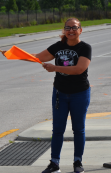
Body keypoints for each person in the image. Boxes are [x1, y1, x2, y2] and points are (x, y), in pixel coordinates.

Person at [32, 18, 92, 173]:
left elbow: (79, 69)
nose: (71, 30)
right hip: (60, 94)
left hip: (80, 93)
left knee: (78, 129)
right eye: (68, 28)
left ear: (80, 30)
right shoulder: (58, 47)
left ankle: (77, 162)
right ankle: (54, 163)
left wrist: (55, 68)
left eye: (74, 27)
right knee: (57, 129)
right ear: (64, 30)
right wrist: (14, 54)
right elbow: (38, 57)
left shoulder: (85, 48)